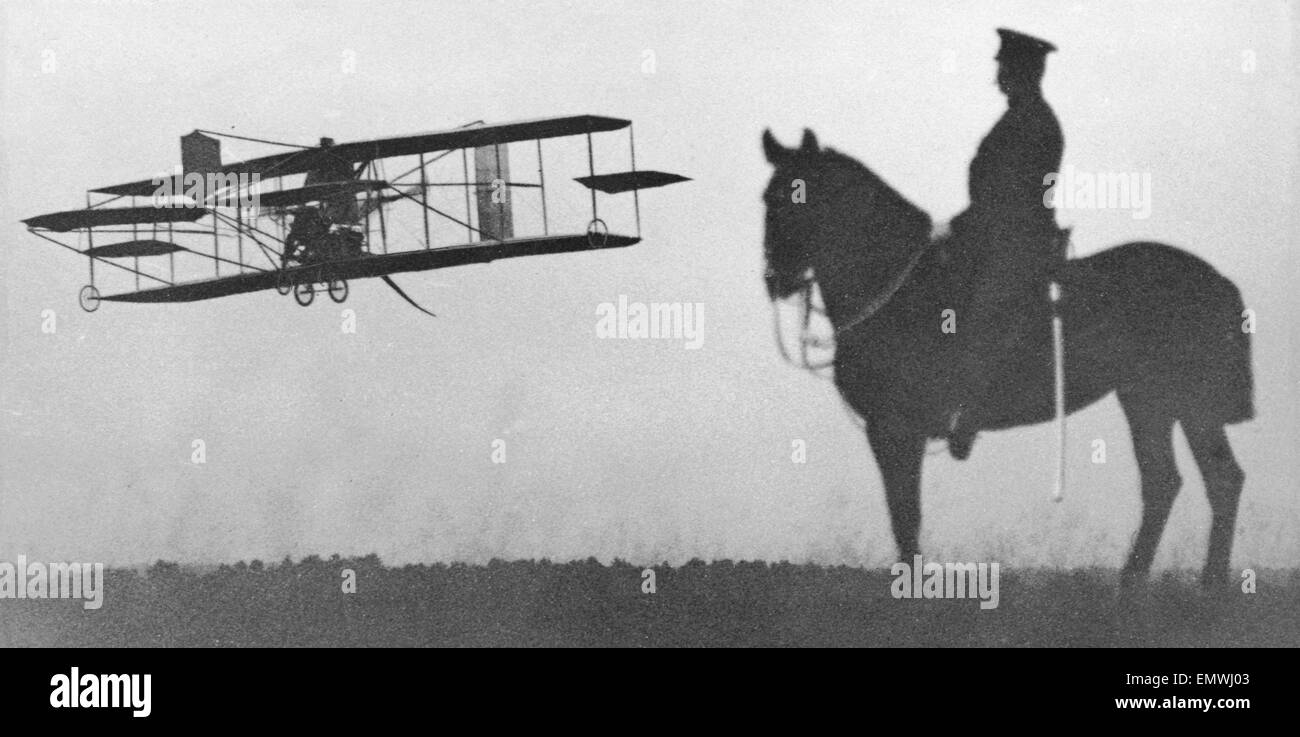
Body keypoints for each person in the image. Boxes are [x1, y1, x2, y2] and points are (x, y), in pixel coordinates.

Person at [945, 28, 1066, 460]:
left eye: (1005, 68)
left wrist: (962, 227)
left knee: (985, 311)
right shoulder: (1021, 117)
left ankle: (971, 414)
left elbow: (1009, 196)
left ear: (1023, 73)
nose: (998, 74)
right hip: (997, 234)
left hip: (1018, 242)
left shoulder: (1032, 122)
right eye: (1000, 67)